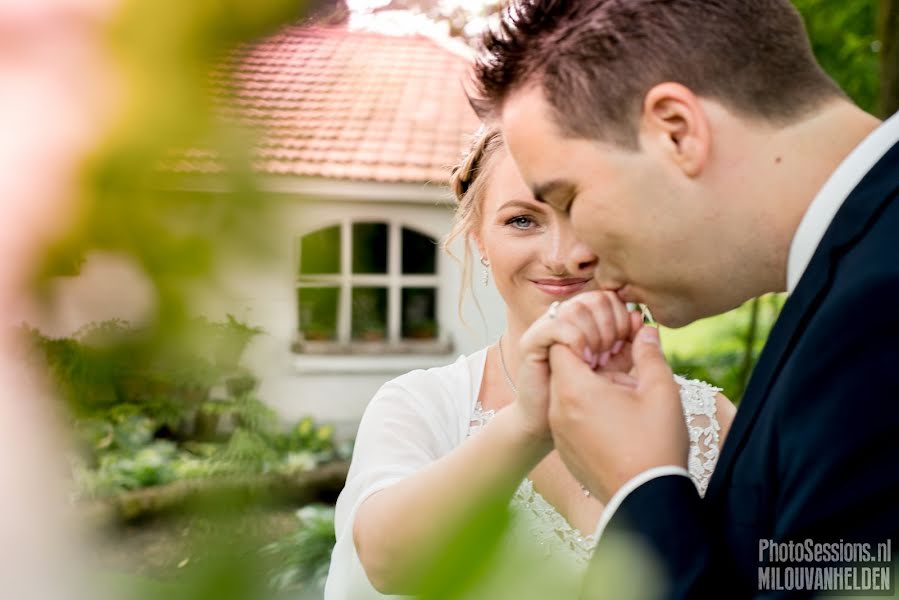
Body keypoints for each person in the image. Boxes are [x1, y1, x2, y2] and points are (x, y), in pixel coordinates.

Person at [470, 0, 899, 597]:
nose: (575, 256)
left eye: (568, 199)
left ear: (676, 129)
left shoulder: (875, 310)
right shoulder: (854, 278)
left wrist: (639, 489)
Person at [322, 125, 735, 599]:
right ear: (479, 239)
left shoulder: (714, 421)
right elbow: (387, 563)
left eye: (588, 214)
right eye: (522, 220)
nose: (562, 257)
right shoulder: (419, 407)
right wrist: (527, 424)